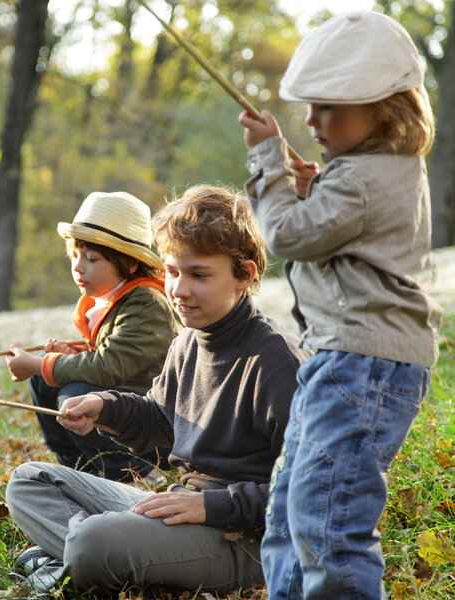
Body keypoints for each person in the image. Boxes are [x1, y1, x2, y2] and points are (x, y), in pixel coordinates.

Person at [5, 184, 311, 595]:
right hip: (181, 504)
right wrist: (104, 406)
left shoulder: (276, 362)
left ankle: (74, 555)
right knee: (29, 481)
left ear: (244, 275)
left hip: (245, 538)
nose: (179, 290)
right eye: (171, 271)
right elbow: (160, 423)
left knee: (93, 542)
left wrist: (211, 505)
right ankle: (78, 557)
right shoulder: (189, 341)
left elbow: (311, 487)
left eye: (199, 274)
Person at [239, 11, 443, 600]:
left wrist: (268, 166)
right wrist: (310, 188)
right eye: (309, 105)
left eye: (329, 106)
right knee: (287, 512)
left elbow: (286, 237)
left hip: (362, 364)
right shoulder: (375, 172)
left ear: (383, 107)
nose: (310, 120)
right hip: (340, 359)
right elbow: (330, 233)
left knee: (326, 520)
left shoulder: (360, 181)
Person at [6, 191, 181, 482]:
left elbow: (107, 367)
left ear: (131, 263)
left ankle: (131, 472)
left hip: (154, 430)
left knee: (73, 396)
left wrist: (41, 364)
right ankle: (82, 468)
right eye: (75, 255)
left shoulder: (146, 303)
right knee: (46, 381)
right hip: (122, 402)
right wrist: (65, 358)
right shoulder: (118, 299)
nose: (78, 266)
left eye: (92, 258)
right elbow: (110, 359)